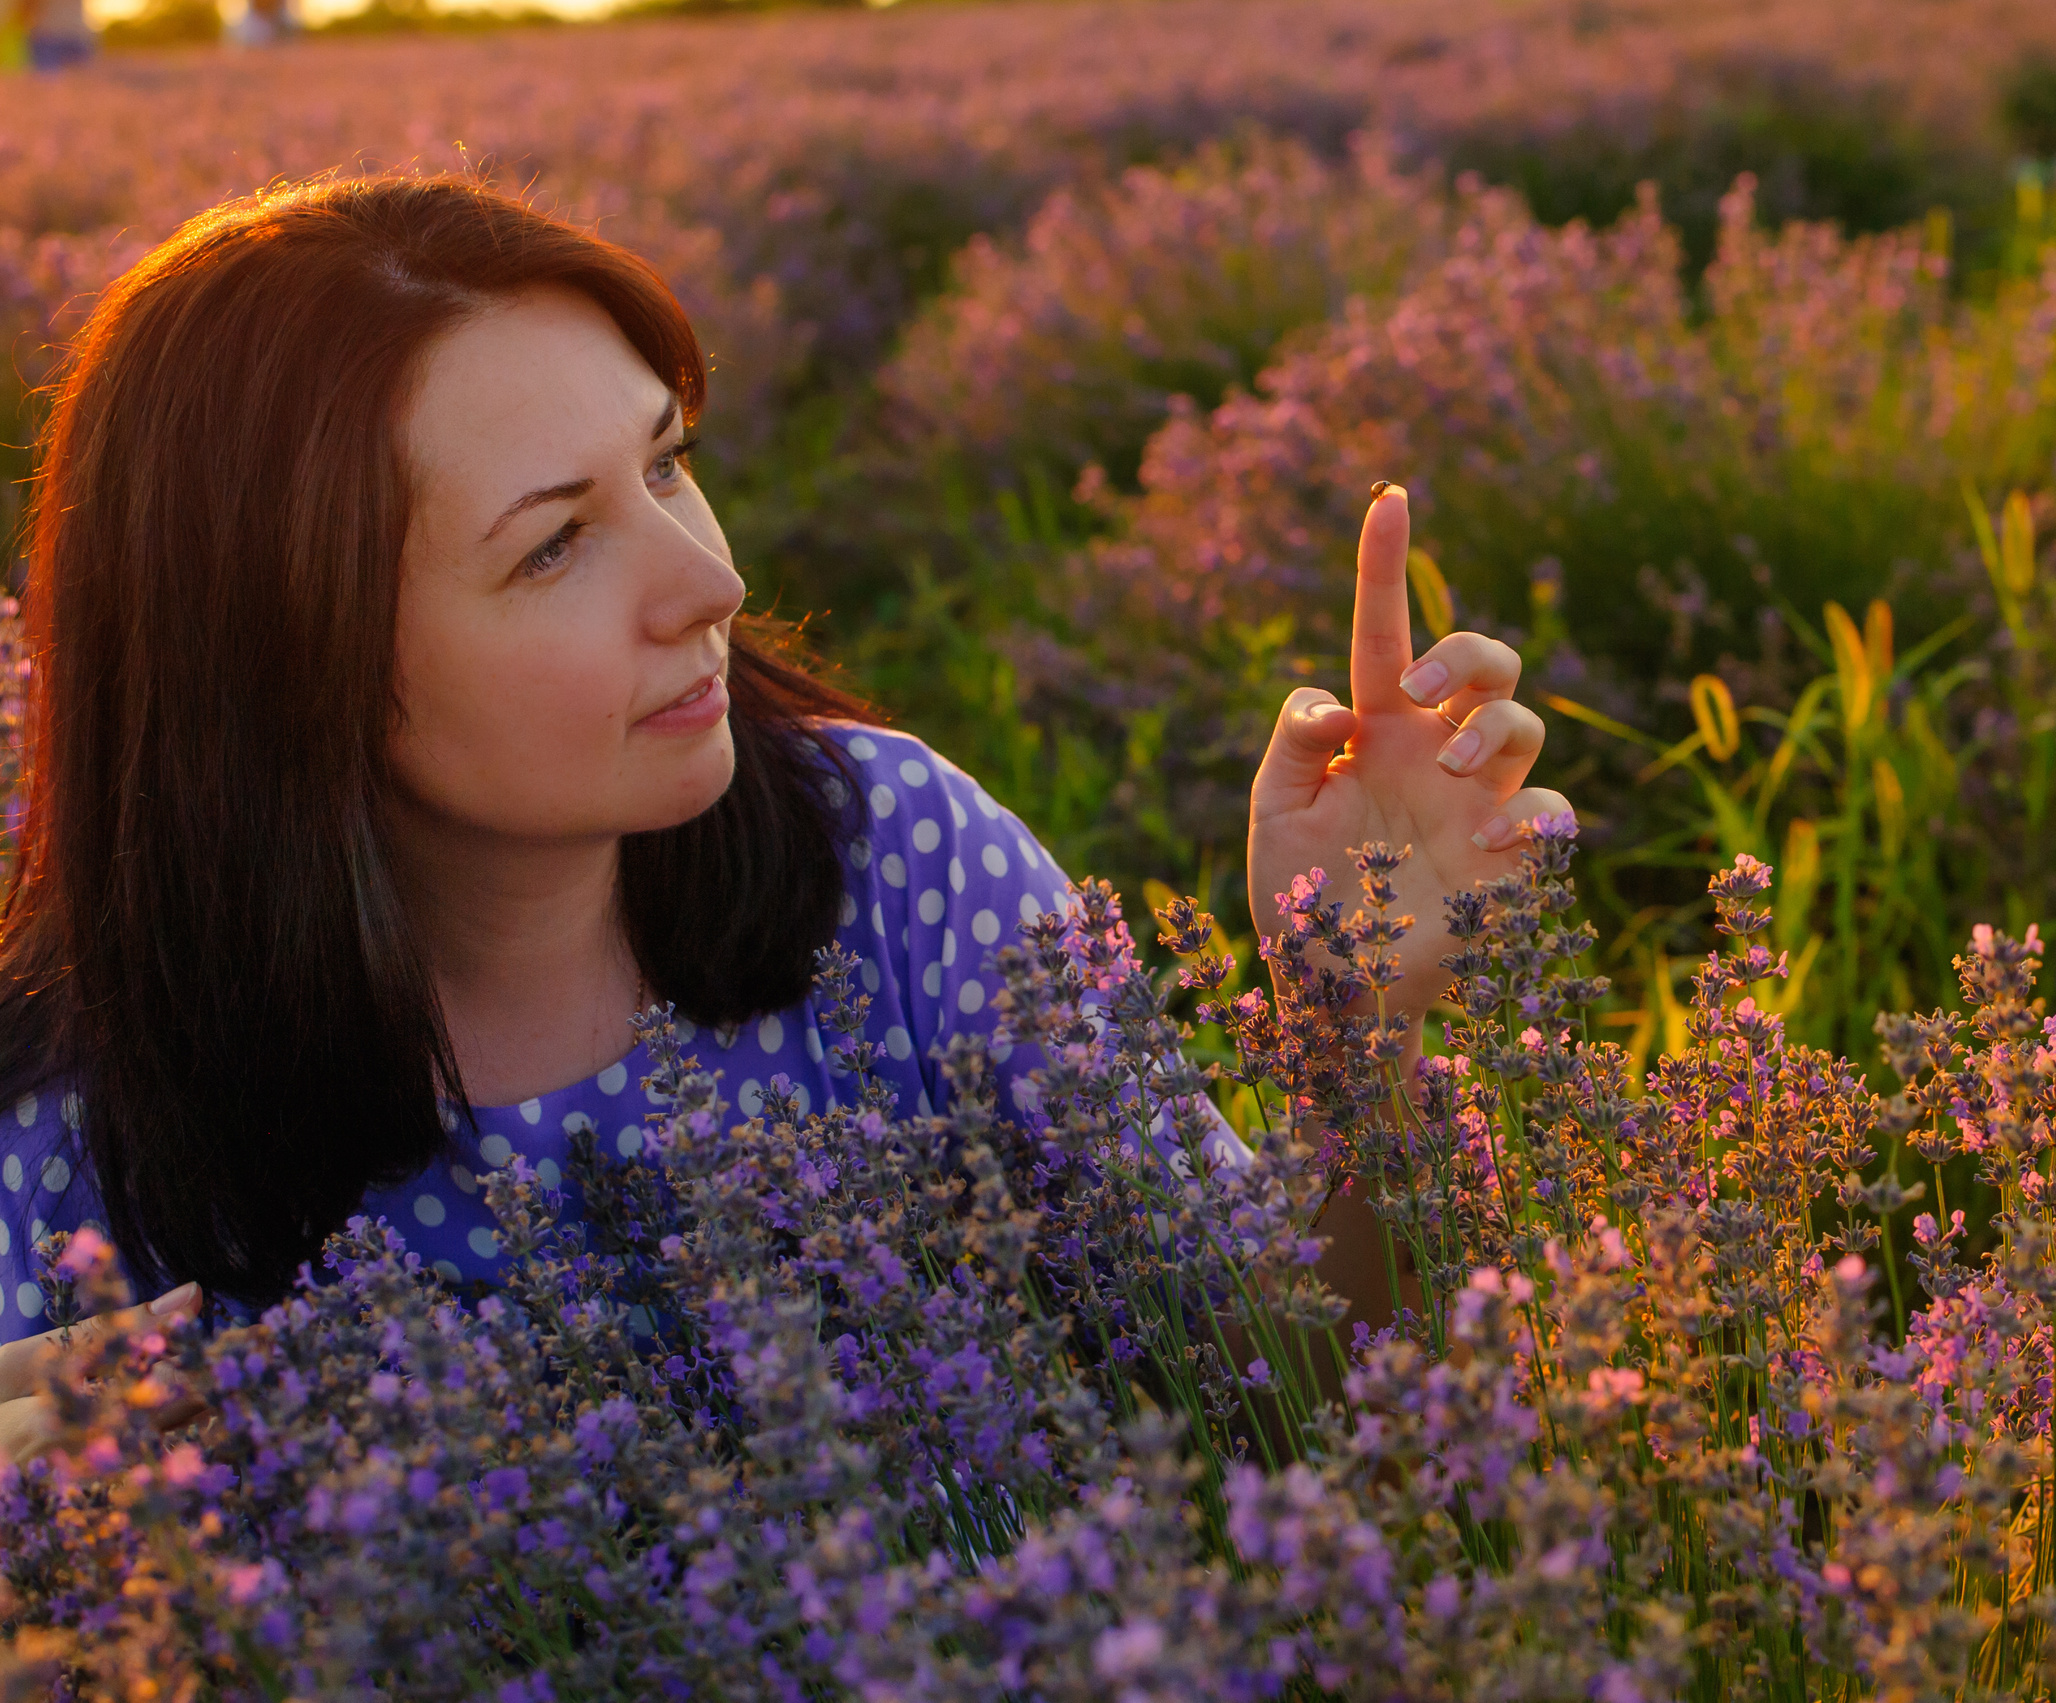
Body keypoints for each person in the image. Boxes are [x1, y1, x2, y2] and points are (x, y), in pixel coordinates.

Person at [0, 177, 1569, 1461]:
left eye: (668, 464)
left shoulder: (888, 861)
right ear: (283, 660)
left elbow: (1273, 1375)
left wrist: (1360, 1035)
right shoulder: (68, 1138)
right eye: (553, 548)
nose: (712, 582)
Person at [23, 0, 90, 71]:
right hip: (53, 36)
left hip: (50, 35)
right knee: (80, 76)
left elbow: (28, 7)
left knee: (49, 77)